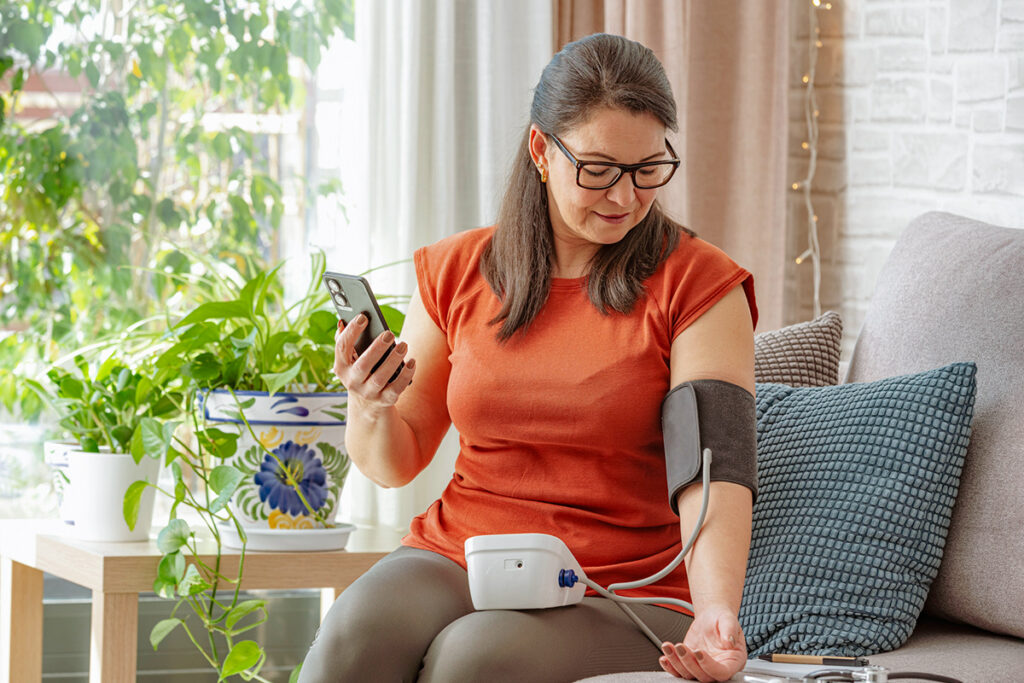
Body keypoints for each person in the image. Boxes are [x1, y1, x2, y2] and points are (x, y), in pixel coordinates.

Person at [299, 33, 758, 683]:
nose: (625, 196)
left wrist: (715, 609)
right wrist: (369, 401)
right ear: (542, 150)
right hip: (463, 552)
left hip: (617, 586)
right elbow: (395, 460)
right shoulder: (456, 270)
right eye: (598, 169)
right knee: (353, 630)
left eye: (647, 169)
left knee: (476, 656)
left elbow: (716, 470)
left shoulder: (700, 284)